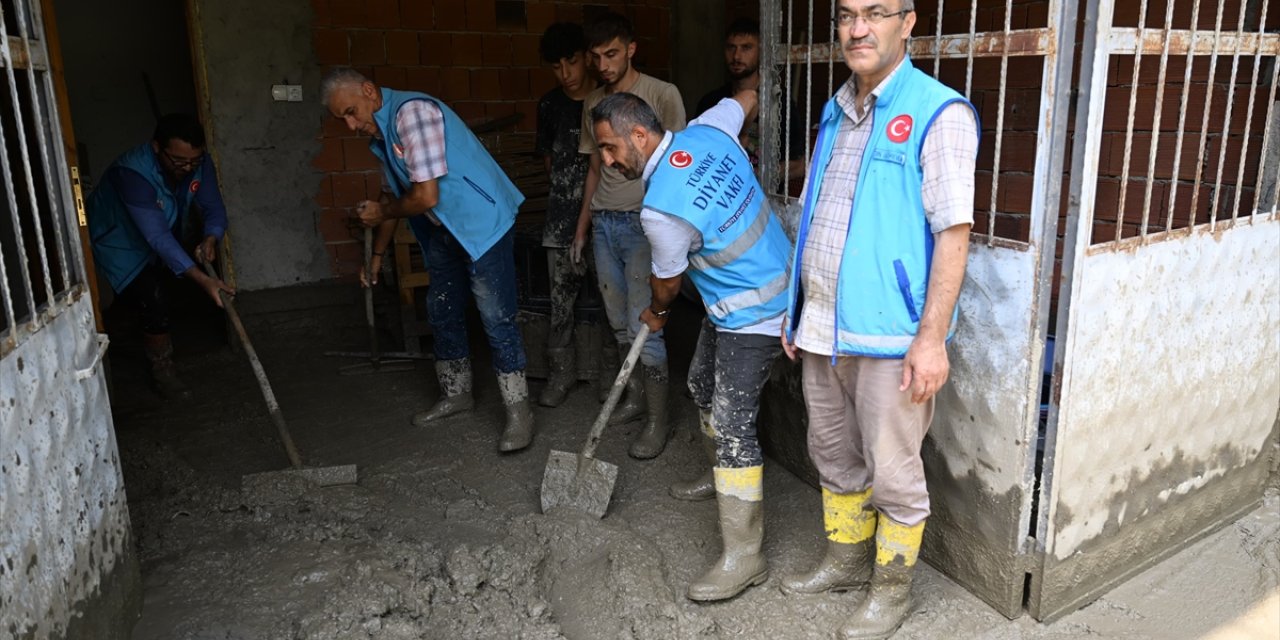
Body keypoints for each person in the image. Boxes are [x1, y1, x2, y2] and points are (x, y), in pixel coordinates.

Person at [778, 0, 979, 638]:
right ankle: (844, 561)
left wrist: (931, 339)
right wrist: (798, 307)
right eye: (845, 15)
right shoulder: (836, 111)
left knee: (893, 472)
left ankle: (891, 591)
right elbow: (816, 213)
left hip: (892, 336)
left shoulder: (937, 112)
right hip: (824, 326)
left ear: (908, 23)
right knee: (832, 454)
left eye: (875, 13)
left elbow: (953, 233)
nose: (857, 29)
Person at [590, 86, 792, 601]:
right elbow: (748, 95)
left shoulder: (660, 212)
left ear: (640, 134)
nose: (609, 162)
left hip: (757, 312)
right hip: (752, 293)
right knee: (701, 385)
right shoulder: (710, 128)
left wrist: (656, 314)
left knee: (730, 424)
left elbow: (667, 287)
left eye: (611, 148)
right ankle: (719, 473)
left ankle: (745, 556)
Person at [320, 68, 535, 453]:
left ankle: (519, 412)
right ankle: (457, 394)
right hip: (443, 229)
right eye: (343, 120)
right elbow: (393, 196)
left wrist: (382, 213)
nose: (352, 125)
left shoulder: (411, 114)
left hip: (481, 222)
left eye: (352, 112)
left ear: (370, 91)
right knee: (442, 308)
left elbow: (424, 197)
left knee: (496, 316)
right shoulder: (382, 135)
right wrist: (377, 257)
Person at [572, 11, 686, 459]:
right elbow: (594, 168)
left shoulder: (661, 94)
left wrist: (670, 226)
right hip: (604, 223)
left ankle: (658, 419)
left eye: (612, 54)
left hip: (645, 223)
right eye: (595, 57)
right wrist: (583, 226)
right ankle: (636, 398)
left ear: (631, 49)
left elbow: (681, 157)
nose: (603, 65)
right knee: (619, 321)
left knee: (647, 324)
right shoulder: (593, 103)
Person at [87, 113, 234, 400]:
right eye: (179, 161)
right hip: (119, 241)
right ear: (157, 147)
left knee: (153, 294)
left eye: (194, 160)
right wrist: (204, 280)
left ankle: (132, 333)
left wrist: (211, 237)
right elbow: (157, 237)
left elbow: (214, 207)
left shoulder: (198, 164)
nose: (187, 167)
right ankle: (162, 371)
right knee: (152, 296)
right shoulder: (131, 173)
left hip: (159, 236)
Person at [533, 22, 598, 408]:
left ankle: (612, 375)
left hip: (604, 218)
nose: (566, 74)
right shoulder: (549, 105)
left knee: (612, 307)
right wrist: (568, 202)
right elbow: (548, 161)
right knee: (560, 305)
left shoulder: (607, 100)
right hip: (560, 220)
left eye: (571, 63)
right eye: (556, 67)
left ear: (585, 59)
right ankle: (561, 374)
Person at [694, 18, 806, 185]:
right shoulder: (711, 102)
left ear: (761, 52)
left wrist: (752, 176)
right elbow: (697, 154)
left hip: (765, 200)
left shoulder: (780, 103)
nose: (737, 56)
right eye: (731, 48)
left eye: (746, 48)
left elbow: (800, 165)